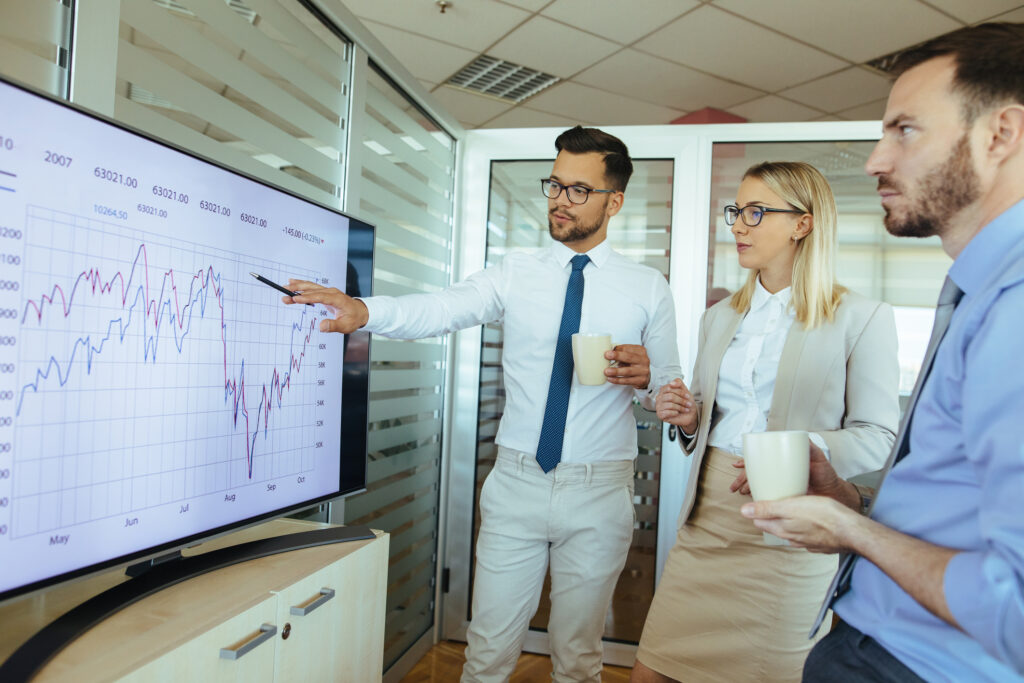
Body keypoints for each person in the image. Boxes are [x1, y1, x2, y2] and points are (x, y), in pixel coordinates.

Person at [284, 126, 681, 682]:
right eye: (555, 185)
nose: (560, 200)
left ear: (613, 201)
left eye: (578, 190)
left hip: (599, 492)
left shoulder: (648, 287)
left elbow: (670, 389)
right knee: (487, 655)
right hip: (517, 482)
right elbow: (443, 308)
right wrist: (365, 311)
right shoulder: (515, 272)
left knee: (579, 657)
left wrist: (646, 383)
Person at [741, 22, 1024, 682]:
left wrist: (850, 530)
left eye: (905, 130)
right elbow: (958, 501)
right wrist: (852, 502)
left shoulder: (1015, 304)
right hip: (877, 641)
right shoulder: (979, 288)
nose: (875, 160)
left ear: (1002, 134)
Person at [632, 161, 899, 683]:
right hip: (707, 525)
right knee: (649, 674)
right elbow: (711, 417)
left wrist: (797, 448)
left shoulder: (861, 317)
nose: (737, 225)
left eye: (756, 212)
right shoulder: (719, 317)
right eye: (736, 212)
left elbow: (879, 436)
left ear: (802, 223)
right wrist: (689, 418)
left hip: (793, 538)